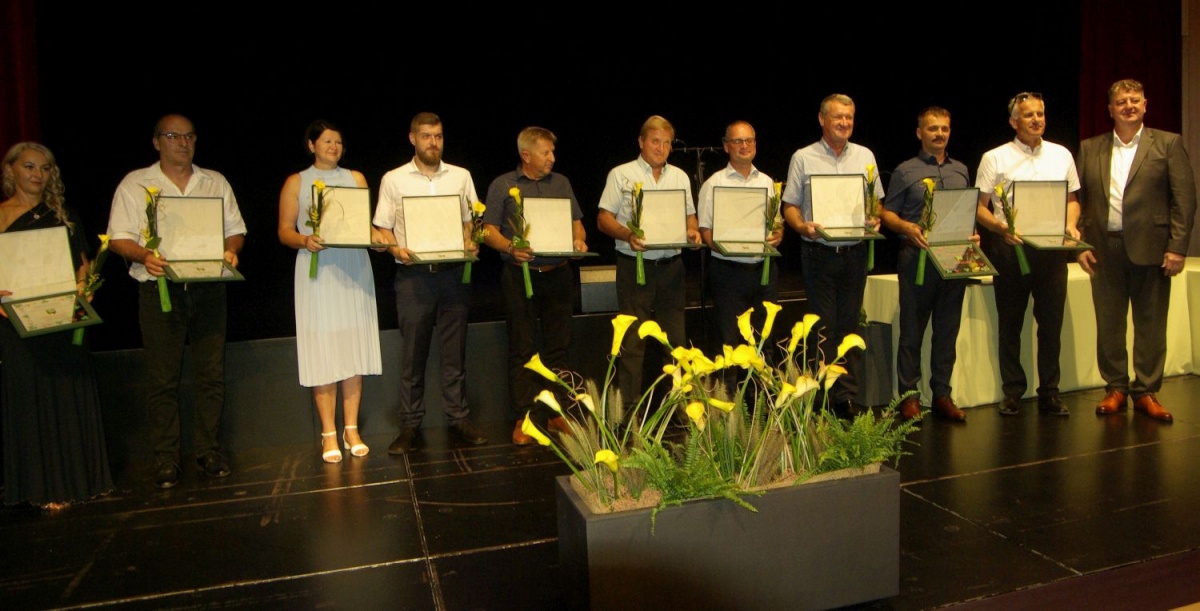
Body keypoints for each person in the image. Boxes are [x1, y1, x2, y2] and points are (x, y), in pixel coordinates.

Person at [107, 113, 247, 488]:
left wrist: (231, 251)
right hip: (160, 289)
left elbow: (236, 231)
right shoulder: (136, 184)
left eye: (189, 136)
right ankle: (166, 458)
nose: (182, 143)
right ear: (157, 142)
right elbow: (117, 237)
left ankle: (208, 450)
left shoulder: (213, 181)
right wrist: (143, 255)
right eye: (173, 136)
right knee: (163, 379)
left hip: (209, 288)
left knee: (211, 375)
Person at [1, 142, 114, 511]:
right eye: (30, 166)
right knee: (33, 397)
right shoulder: (0, 215)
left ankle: (85, 481)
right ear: (11, 170)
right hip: (16, 322)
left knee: (69, 395)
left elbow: (82, 263)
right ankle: (45, 488)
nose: (37, 174)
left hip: (64, 317)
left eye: (45, 168)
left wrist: (86, 285)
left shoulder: (64, 214)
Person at [1076, 79, 1197, 423]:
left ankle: (1146, 391)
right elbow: (1080, 204)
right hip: (1104, 249)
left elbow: (1184, 201)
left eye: (1134, 100)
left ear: (1145, 105)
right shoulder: (1090, 148)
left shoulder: (1169, 143)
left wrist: (1177, 247)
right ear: (1110, 109)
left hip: (1154, 250)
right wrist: (1080, 245)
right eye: (1121, 101)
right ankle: (1116, 388)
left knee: (1150, 324)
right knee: (1109, 324)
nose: (1128, 106)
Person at [373, 111, 487, 454]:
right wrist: (395, 247)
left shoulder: (461, 176)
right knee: (412, 356)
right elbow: (381, 228)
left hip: (453, 276)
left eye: (438, 136)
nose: (433, 142)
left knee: (455, 353)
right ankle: (409, 425)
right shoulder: (393, 179)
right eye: (426, 136)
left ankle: (458, 418)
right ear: (412, 138)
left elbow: (471, 222)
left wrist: (472, 240)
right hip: (413, 278)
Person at [277, 120, 389, 462]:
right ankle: (328, 431)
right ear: (311, 145)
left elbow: (361, 225)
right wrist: (304, 240)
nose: (334, 147)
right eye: (327, 141)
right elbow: (284, 231)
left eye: (339, 142)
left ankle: (351, 428)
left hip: (353, 268)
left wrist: (379, 240)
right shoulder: (297, 181)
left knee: (351, 346)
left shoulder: (355, 178)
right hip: (318, 271)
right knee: (323, 348)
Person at [974, 92, 1081, 417]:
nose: (1036, 119)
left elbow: (1073, 200)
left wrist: (1072, 227)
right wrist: (1000, 228)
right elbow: (980, 208)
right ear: (1013, 121)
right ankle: (1012, 392)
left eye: (1040, 114)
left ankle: (1049, 392)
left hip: (1051, 253)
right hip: (1010, 251)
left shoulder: (1061, 154)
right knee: (1010, 325)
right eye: (1028, 115)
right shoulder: (995, 158)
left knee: (1051, 325)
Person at [482, 127, 588, 445]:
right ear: (526, 155)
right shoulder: (503, 184)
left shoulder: (562, 183)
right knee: (522, 349)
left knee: (558, 347)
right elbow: (488, 230)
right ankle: (525, 417)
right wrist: (510, 248)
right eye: (546, 153)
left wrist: (579, 240)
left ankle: (558, 414)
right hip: (519, 275)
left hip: (558, 275)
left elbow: (576, 224)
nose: (552, 158)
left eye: (552, 152)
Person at [781, 93, 882, 417]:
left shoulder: (865, 156)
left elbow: (875, 203)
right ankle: (819, 395)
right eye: (838, 117)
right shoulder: (804, 157)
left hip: (854, 253)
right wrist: (801, 226)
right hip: (818, 253)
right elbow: (789, 206)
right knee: (821, 328)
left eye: (849, 118)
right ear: (822, 119)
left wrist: (875, 217)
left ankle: (845, 397)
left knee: (849, 326)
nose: (844, 123)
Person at [597, 115, 701, 411]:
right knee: (632, 341)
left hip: (671, 268)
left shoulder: (680, 176)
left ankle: (679, 405)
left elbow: (689, 217)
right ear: (641, 142)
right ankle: (628, 408)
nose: (661, 148)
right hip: (635, 265)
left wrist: (692, 230)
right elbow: (603, 219)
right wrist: (627, 234)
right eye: (655, 141)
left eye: (667, 143)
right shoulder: (621, 174)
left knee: (676, 340)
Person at [880, 107, 971, 423]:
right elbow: (887, 214)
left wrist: (971, 233)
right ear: (920, 133)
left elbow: (964, 212)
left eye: (945, 128)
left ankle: (942, 395)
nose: (940, 134)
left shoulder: (961, 170)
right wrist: (907, 227)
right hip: (916, 258)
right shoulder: (906, 170)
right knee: (912, 332)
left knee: (947, 331)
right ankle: (909, 397)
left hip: (954, 259)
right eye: (933, 128)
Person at [697, 120, 784, 392]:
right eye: (737, 141)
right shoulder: (713, 184)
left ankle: (762, 406)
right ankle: (729, 409)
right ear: (726, 146)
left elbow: (776, 223)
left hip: (763, 272)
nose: (744, 146)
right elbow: (705, 230)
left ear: (755, 145)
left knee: (763, 340)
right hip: (728, 273)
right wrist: (722, 246)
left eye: (749, 140)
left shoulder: (768, 182)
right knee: (729, 342)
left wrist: (778, 235)